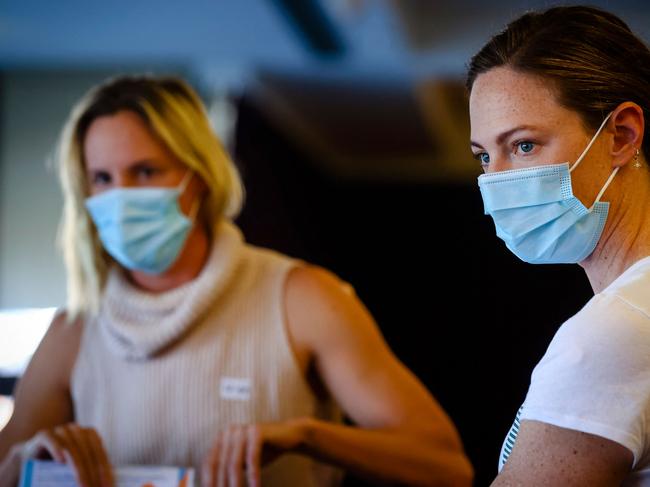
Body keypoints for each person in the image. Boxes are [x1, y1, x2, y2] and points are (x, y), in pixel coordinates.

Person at [0, 75, 472, 487]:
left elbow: (445, 466)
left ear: (198, 176)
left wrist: (309, 436)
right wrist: (30, 464)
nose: (121, 197)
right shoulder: (75, 330)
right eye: (102, 178)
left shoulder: (300, 298)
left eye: (145, 171)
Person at [467, 5, 650, 486]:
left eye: (523, 145)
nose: (495, 181)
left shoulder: (610, 335)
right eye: (485, 155)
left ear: (622, 135)